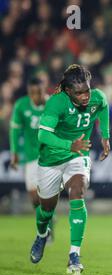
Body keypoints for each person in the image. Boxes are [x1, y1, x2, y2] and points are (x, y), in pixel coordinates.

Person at [29, 65, 111, 273]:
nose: (85, 96)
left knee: (78, 192)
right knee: (46, 210)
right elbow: (43, 135)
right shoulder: (57, 103)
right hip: (52, 160)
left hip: (78, 155)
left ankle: (74, 254)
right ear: (68, 91)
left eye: (87, 91)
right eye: (79, 93)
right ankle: (41, 235)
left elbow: (103, 106)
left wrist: (105, 135)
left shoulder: (96, 97)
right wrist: (68, 145)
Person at [9, 77, 57, 241]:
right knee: (34, 197)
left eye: (39, 92)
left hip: (50, 156)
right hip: (30, 157)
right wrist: (14, 152)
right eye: (32, 93)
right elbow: (15, 130)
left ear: (44, 90)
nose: (35, 96)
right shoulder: (21, 105)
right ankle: (48, 220)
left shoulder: (53, 104)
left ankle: (47, 229)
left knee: (45, 194)